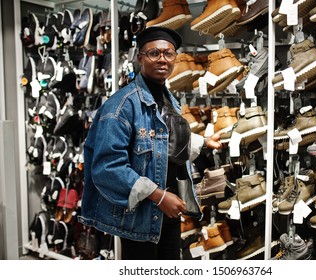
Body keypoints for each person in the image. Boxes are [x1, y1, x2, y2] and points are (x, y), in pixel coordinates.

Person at [78, 26, 223, 260]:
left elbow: (162, 141)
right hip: (141, 217)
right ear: (140, 58)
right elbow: (107, 167)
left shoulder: (168, 99)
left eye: (169, 53)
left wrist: (204, 142)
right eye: (154, 53)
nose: (162, 59)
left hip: (170, 210)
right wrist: (160, 196)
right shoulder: (120, 106)